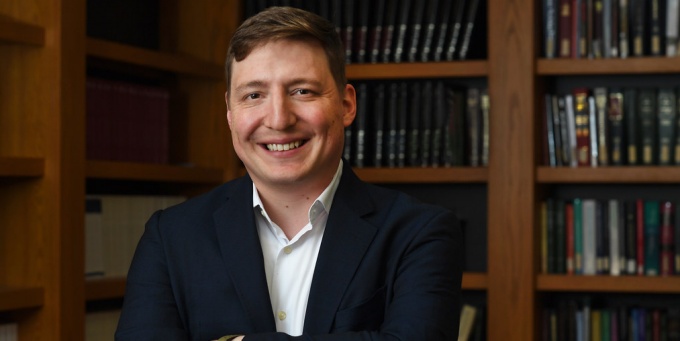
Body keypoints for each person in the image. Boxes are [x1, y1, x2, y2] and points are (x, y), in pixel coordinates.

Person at [115, 6, 463, 341]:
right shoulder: (171, 236)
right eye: (254, 95)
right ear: (230, 114)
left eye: (302, 91)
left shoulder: (420, 232)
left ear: (346, 105)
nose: (279, 119)